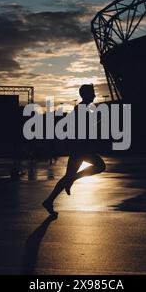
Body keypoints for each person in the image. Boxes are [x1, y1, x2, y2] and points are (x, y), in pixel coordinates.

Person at [42, 84, 106, 216]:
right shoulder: (82, 109)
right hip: (81, 149)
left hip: (79, 148)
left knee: (68, 176)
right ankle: (71, 180)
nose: (94, 95)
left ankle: (49, 200)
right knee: (99, 166)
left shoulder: (83, 108)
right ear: (86, 95)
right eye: (92, 93)